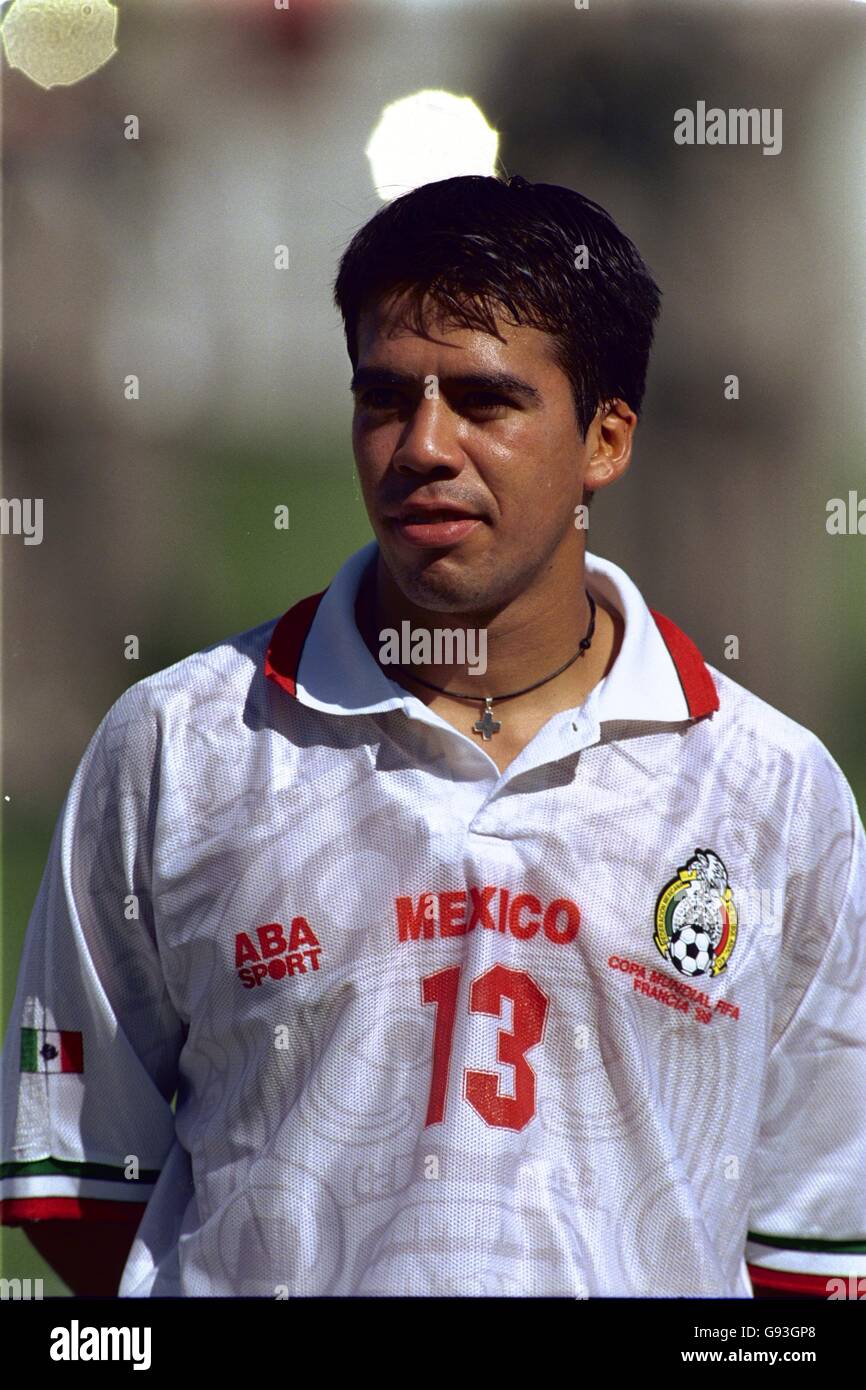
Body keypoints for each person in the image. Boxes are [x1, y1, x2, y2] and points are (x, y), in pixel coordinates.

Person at [2, 174, 864, 1297]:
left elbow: (811, 1252)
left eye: (484, 401)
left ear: (604, 438)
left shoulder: (770, 789)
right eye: (383, 398)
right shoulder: (182, 744)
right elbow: (83, 1187)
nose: (421, 445)